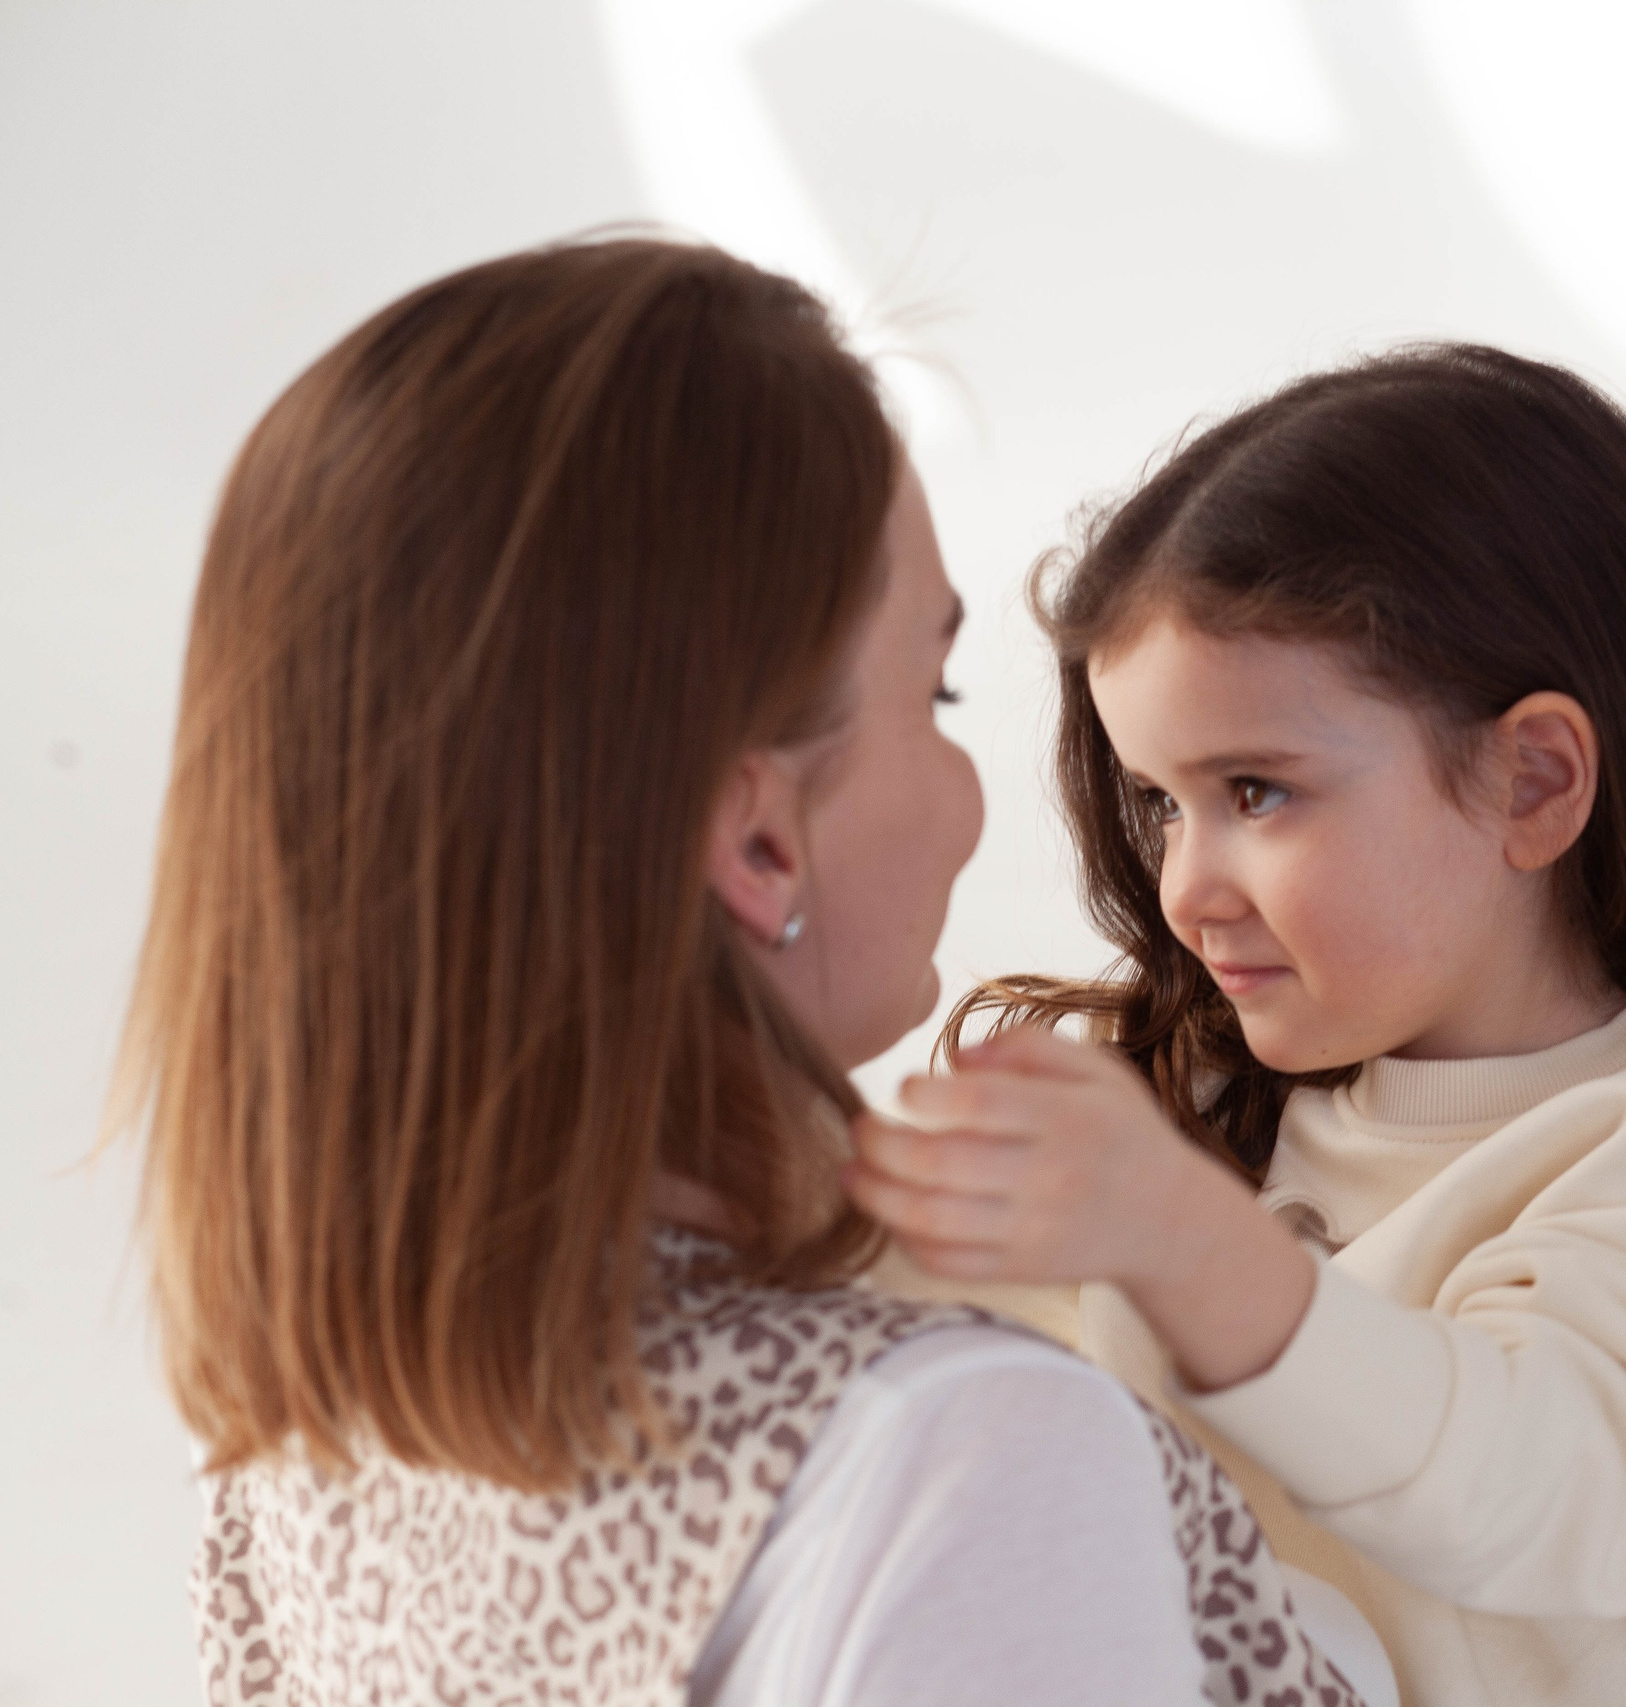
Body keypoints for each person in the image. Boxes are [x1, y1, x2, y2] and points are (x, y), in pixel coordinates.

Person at [115, 236, 1389, 1707]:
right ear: (760, 844)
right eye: (935, 689)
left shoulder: (303, 1438)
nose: (979, 788)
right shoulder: (962, 1462)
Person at [847, 344, 1626, 1705]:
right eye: (1162, 802)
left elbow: (1511, 1484)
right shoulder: (1208, 1113)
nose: (1185, 886)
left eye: (1259, 792)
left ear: (1532, 782)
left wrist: (1183, 1243)